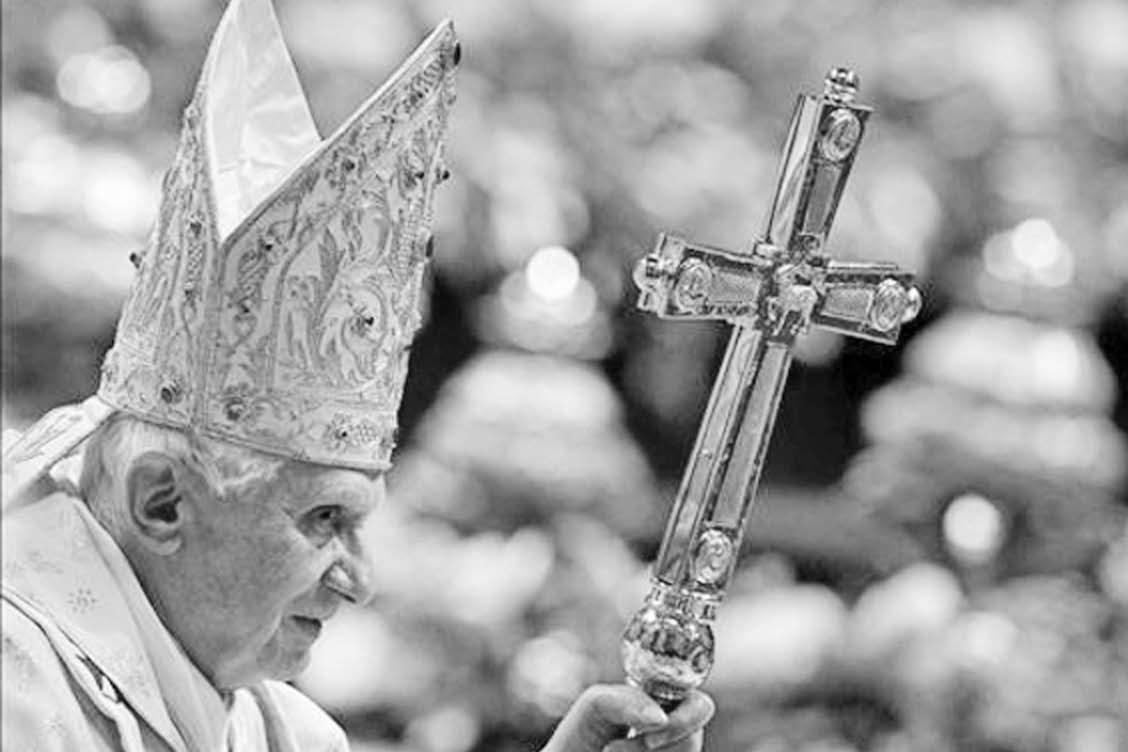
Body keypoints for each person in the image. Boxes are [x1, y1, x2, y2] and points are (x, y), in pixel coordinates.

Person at [0, 0, 714, 749]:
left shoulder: (282, 726)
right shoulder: (21, 692)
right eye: (324, 520)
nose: (359, 581)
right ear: (162, 502)